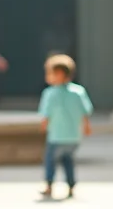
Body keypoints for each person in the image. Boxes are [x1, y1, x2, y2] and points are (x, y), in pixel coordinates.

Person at [38, 54, 93, 199]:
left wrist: (44, 126)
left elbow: (46, 114)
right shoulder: (79, 92)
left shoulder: (50, 93)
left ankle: (49, 184)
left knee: (50, 161)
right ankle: (71, 185)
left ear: (59, 74)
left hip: (56, 136)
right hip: (73, 136)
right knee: (68, 160)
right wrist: (86, 126)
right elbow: (85, 111)